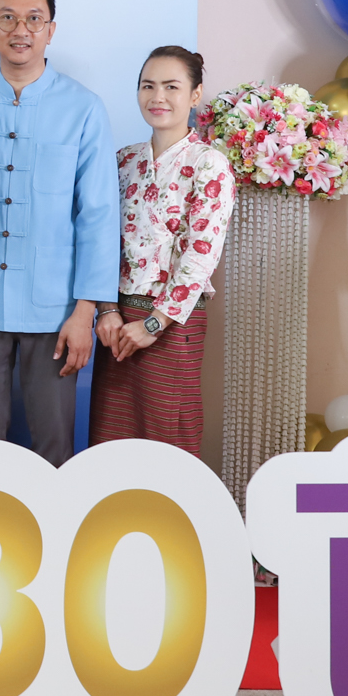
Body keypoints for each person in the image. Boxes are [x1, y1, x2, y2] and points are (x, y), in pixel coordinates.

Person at [0, 0, 119, 467]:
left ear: (50, 30)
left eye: (34, 19)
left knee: (54, 444)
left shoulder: (84, 107)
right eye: (7, 18)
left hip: (56, 307)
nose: (21, 30)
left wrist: (86, 310)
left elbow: (98, 214)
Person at [90, 46, 232, 455]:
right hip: (117, 323)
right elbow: (101, 239)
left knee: (166, 436)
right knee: (111, 440)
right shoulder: (123, 161)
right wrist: (107, 310)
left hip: (171, 323)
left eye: (171, 87)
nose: (158, 97)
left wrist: (153, 325)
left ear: (195, 94)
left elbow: (201, 255)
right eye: (148, 86)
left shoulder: (209, 164)